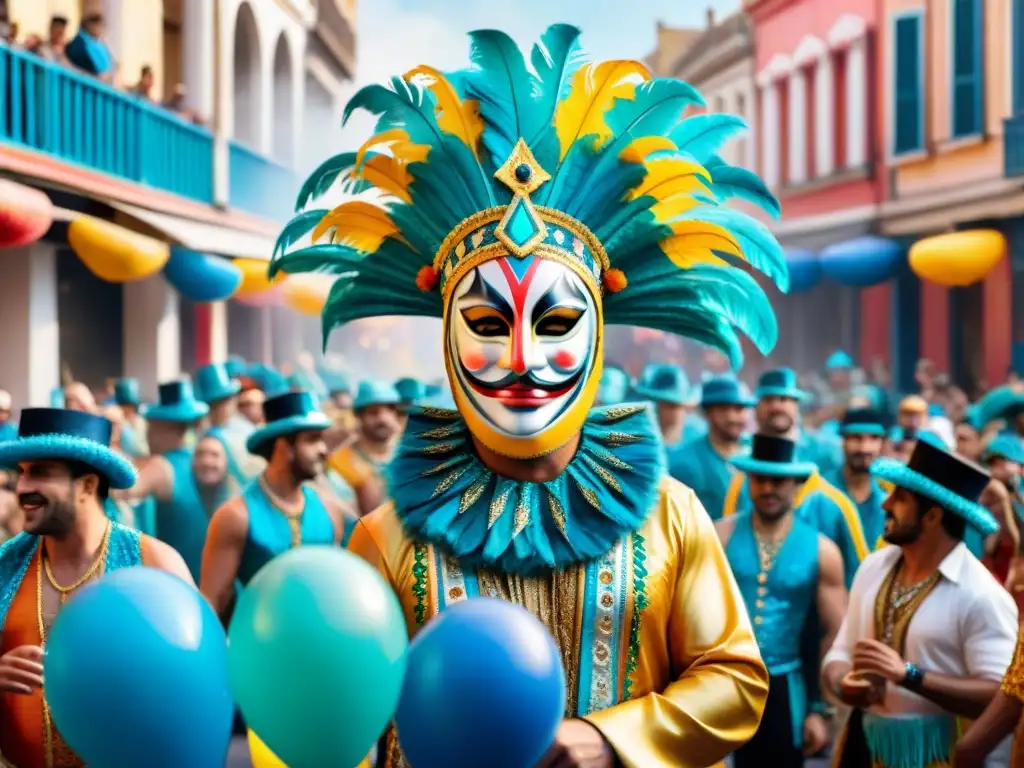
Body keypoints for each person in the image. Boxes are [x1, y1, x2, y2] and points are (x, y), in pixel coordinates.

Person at [275, 23, 789, 766]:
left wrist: (609, 738)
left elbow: (735, 680)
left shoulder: (670, 515)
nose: (522, 359)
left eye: (556, 324)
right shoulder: (385, 538)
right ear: (448, 340)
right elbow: (351, 723)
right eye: (489, 324)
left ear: (598, 335)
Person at [0, 408, 190, 767]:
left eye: (40, 472)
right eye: (21, 473)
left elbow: (198, 687)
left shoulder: (154, 564)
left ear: (87, 485)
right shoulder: (4, 566)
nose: (22, 488)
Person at [822, 438, 1017, 768]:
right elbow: (841, 652)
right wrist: (844, 683)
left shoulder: (981, 594)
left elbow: (1000, 697)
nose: (886, 504)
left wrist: (910, 675)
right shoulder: (874, 567)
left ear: (932, 516)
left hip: (938, 754)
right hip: (861, 744)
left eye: (900, 498)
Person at [716, 435, 848, 768]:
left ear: (797, 484)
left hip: (787, 685)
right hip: (721, 679)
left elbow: (835, 634)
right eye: (759, 479)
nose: (767, 488)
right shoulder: (720, 536)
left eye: (778, 481)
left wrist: (821, 709)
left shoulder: (823, 550)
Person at [200, 391, 346, 620]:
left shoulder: (329, 509)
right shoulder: (236, 516)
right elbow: (212, 605)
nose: (323, 450)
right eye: (312, 439)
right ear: (282, 446)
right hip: (257, 637)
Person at [121, 380, 210, 582]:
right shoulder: (195, 460)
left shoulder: (161, 467)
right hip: (201, 570)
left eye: (150, 427)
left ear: (164, 426)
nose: (147, 435)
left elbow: (123, 491)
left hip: (177, 576)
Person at [669, 376, 754, 520]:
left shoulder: (756, 454)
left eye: (739, 409)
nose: (733, 417)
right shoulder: (685, 463)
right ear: (708, 413)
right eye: (724, 409)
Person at [326, 380, 403, 517]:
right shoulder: (340, 463)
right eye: (374, 412)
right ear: (359, 416)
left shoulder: (411, 453)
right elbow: (343, 516)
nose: (383, 418)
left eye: (388, 411)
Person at [824, 408, 890, 550]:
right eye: (856, 438)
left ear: (882, 443)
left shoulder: (888, 499)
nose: (864, 448)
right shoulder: (822, 492)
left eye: (873, 438)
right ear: (843, 440)